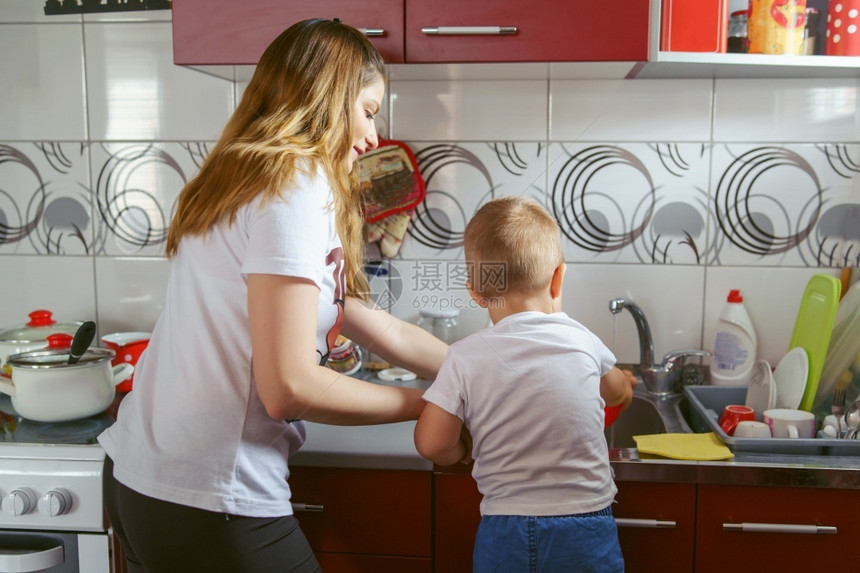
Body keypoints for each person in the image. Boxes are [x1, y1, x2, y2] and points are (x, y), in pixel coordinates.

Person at [99, 19, 448, 573]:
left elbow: (357, 312)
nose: (373, 137)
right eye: (368, 110)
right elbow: (289, 387)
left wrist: (476, 370)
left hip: (139, 482)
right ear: (328, 98)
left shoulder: (243, 174)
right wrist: (435, 406)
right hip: (210, 493)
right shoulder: (296, 184)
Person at [414, 195, 637, 573]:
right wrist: (624, 385)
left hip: (507, 528)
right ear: (558, 278)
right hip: (587, 526)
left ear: (474, 290)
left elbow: (432, 443)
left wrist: (460, 451)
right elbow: (617, 393)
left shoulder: (465, 355)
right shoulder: (583, 339)